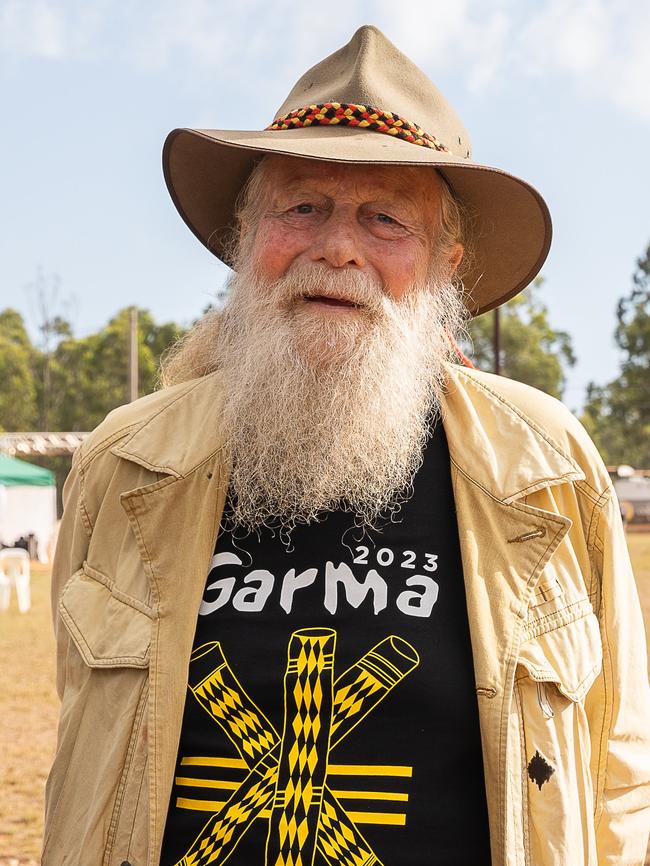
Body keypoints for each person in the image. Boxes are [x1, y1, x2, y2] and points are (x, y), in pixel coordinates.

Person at [43, 25, 650, 866]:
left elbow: (617, 767)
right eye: (302, 207)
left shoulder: (545, 466)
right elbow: (87, 748)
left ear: (445, 266)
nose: (337, 246)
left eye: (385, 218)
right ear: (246, 238)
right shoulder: (126, 460)